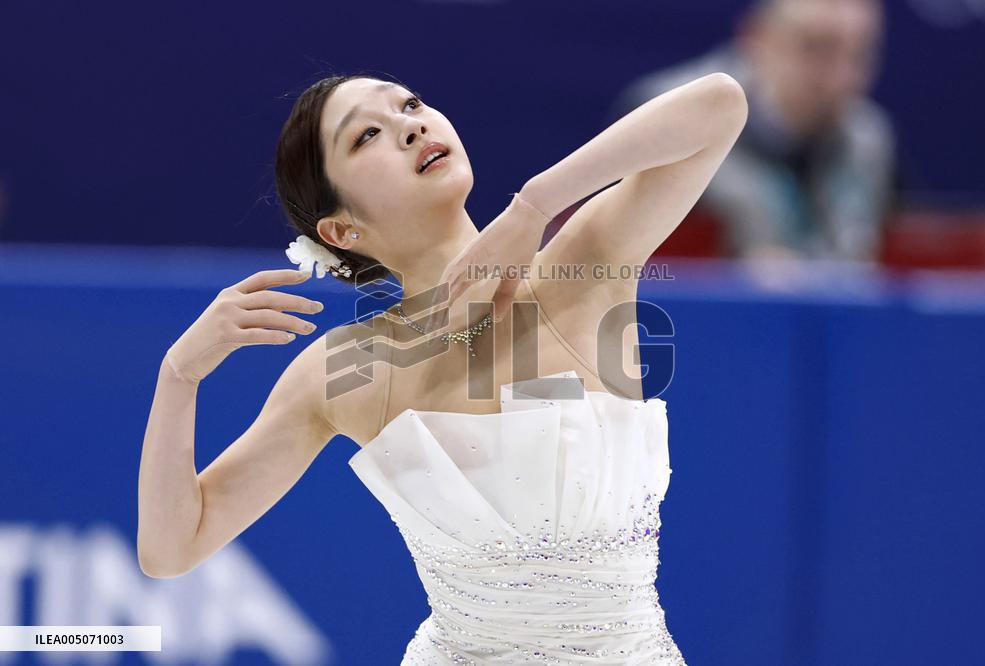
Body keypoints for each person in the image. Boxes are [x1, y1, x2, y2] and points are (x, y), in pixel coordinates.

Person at [138, 69, 749, 664]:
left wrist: (534, 206)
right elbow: (172, 547)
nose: (409, 127)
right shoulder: (348, 371)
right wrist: (178, 375)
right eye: (365, 135)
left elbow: (720, 105)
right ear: (341, 228)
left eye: (409, 105)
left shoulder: (583, 269)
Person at [610, 0, 896, 264]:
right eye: (815, 48)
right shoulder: (668, 117)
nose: (839, 78)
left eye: (858, 55)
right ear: (757, 38)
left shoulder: (867, 137)